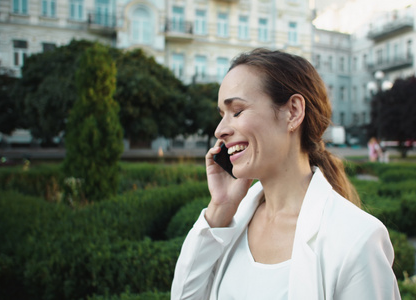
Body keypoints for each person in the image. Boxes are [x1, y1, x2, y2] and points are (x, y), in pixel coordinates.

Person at [171, 48, 400, 299]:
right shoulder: (230, 222)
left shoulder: (358, 239)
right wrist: (220, 207)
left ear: (293, 112)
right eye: (221, 115)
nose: (220, 130)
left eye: (236, 111)